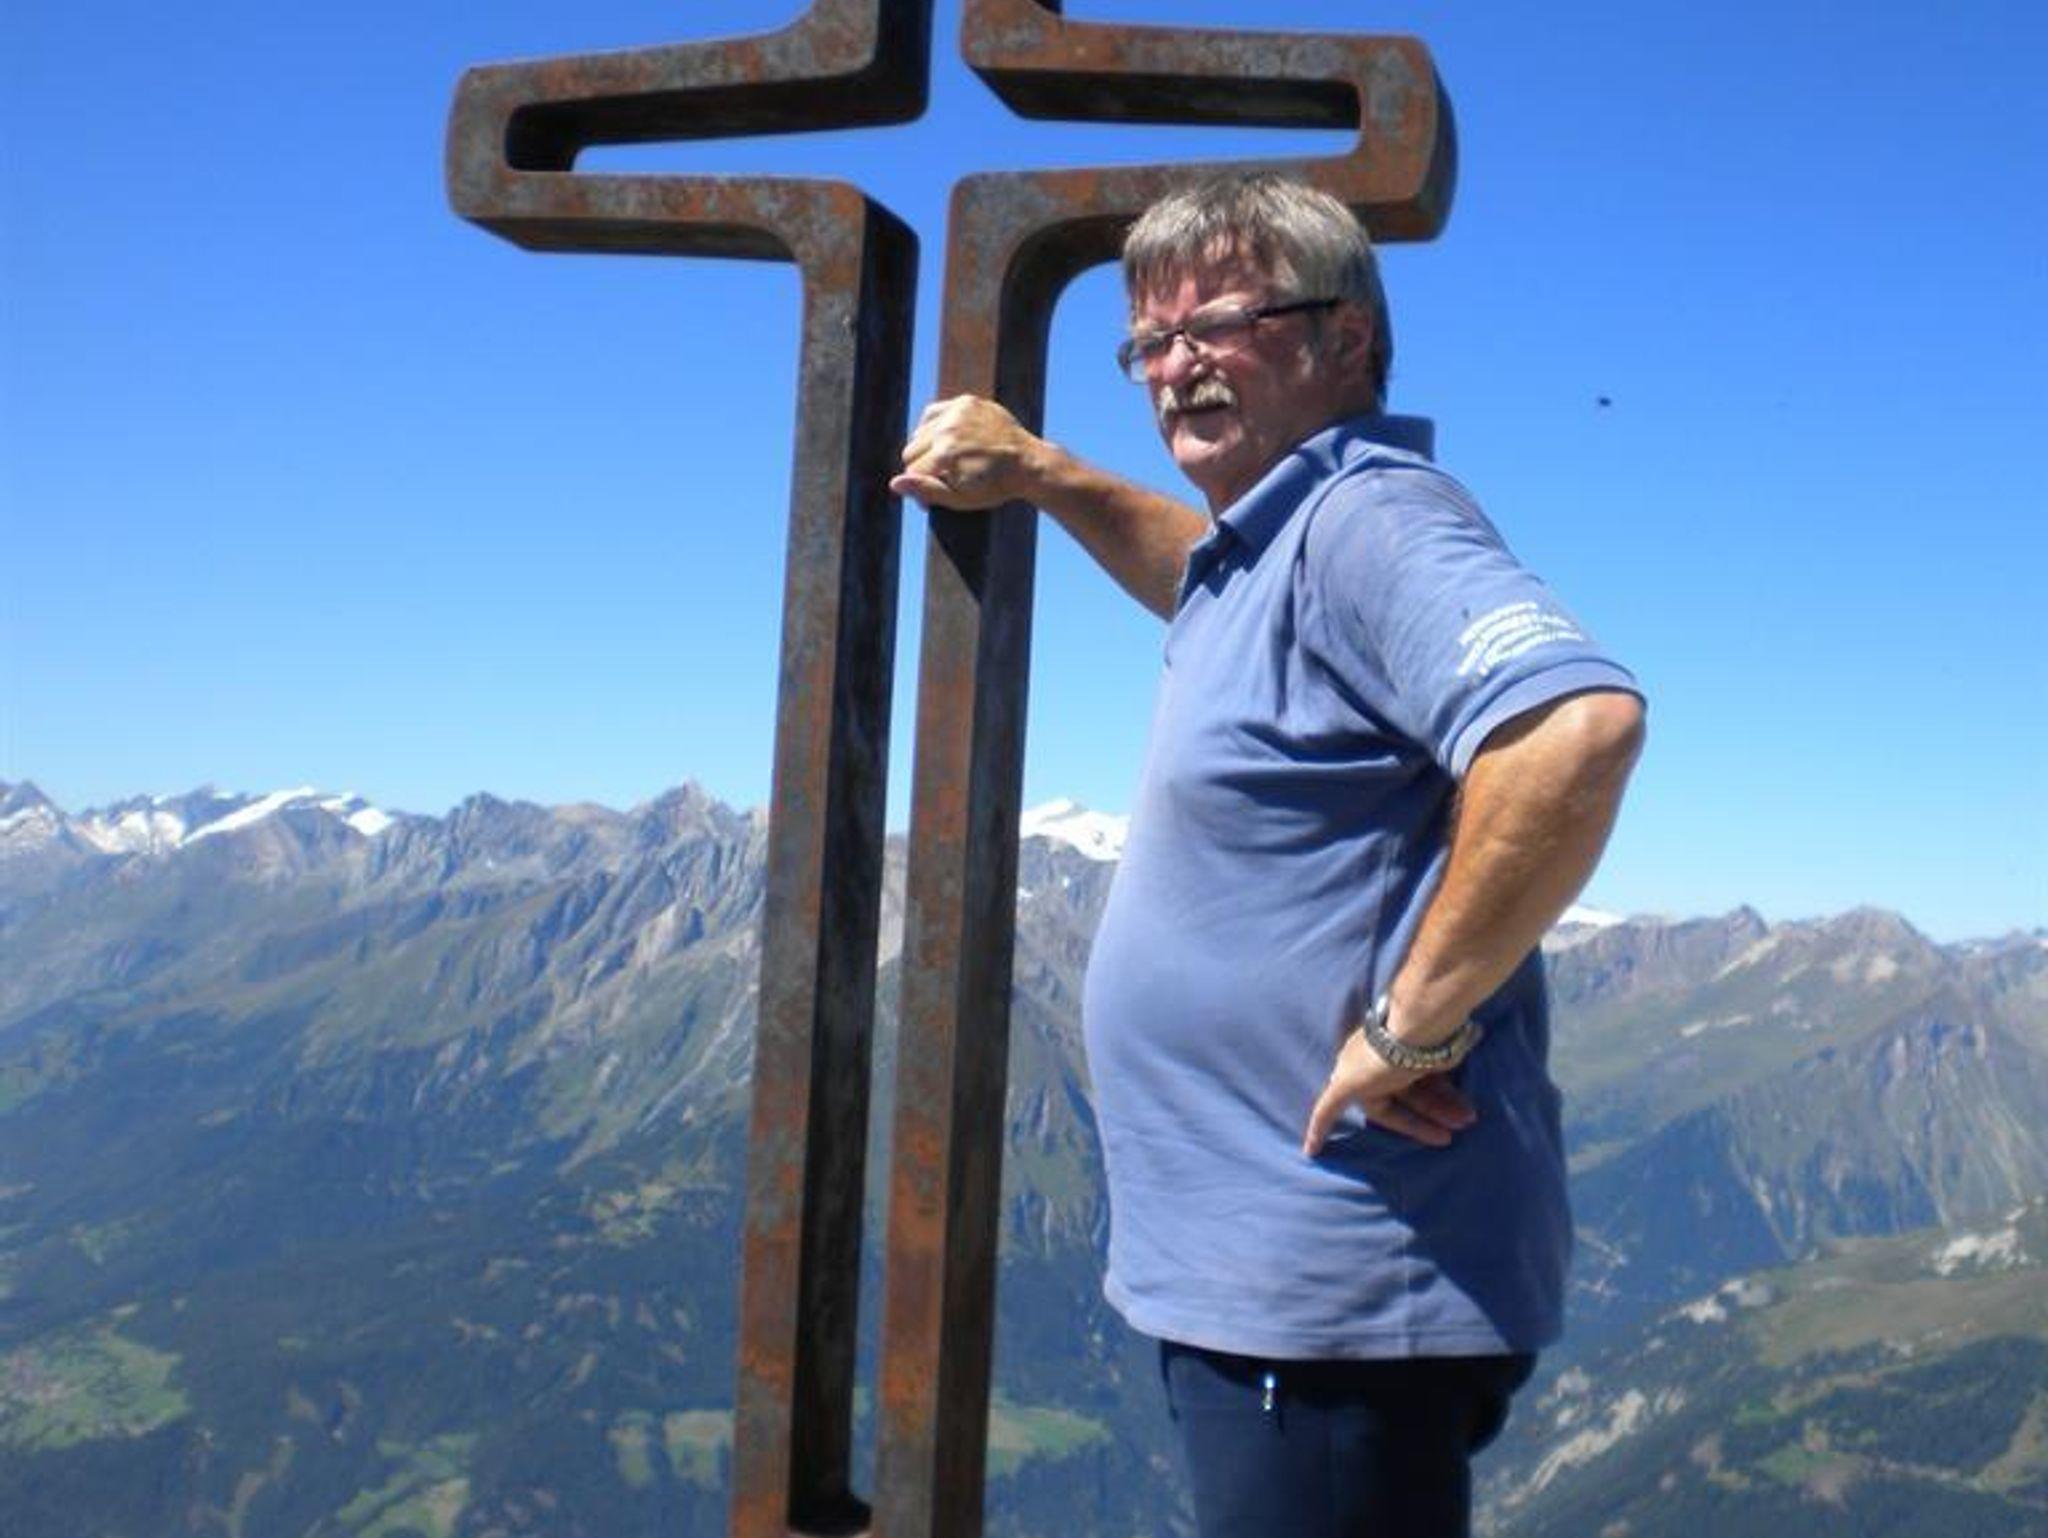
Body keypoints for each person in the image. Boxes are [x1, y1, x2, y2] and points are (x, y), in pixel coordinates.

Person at [892, 173, 1645, 1538]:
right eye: (1149, 339)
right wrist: (1045, 472)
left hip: (1333, 1299)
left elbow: (1571, 732)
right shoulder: (1276, 545)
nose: (1174, 365)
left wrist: (1412, 1023)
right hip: (1280, 1291)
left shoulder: (1369, 519)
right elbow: (1196, 573)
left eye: (1219, 324)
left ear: (1345, 335)